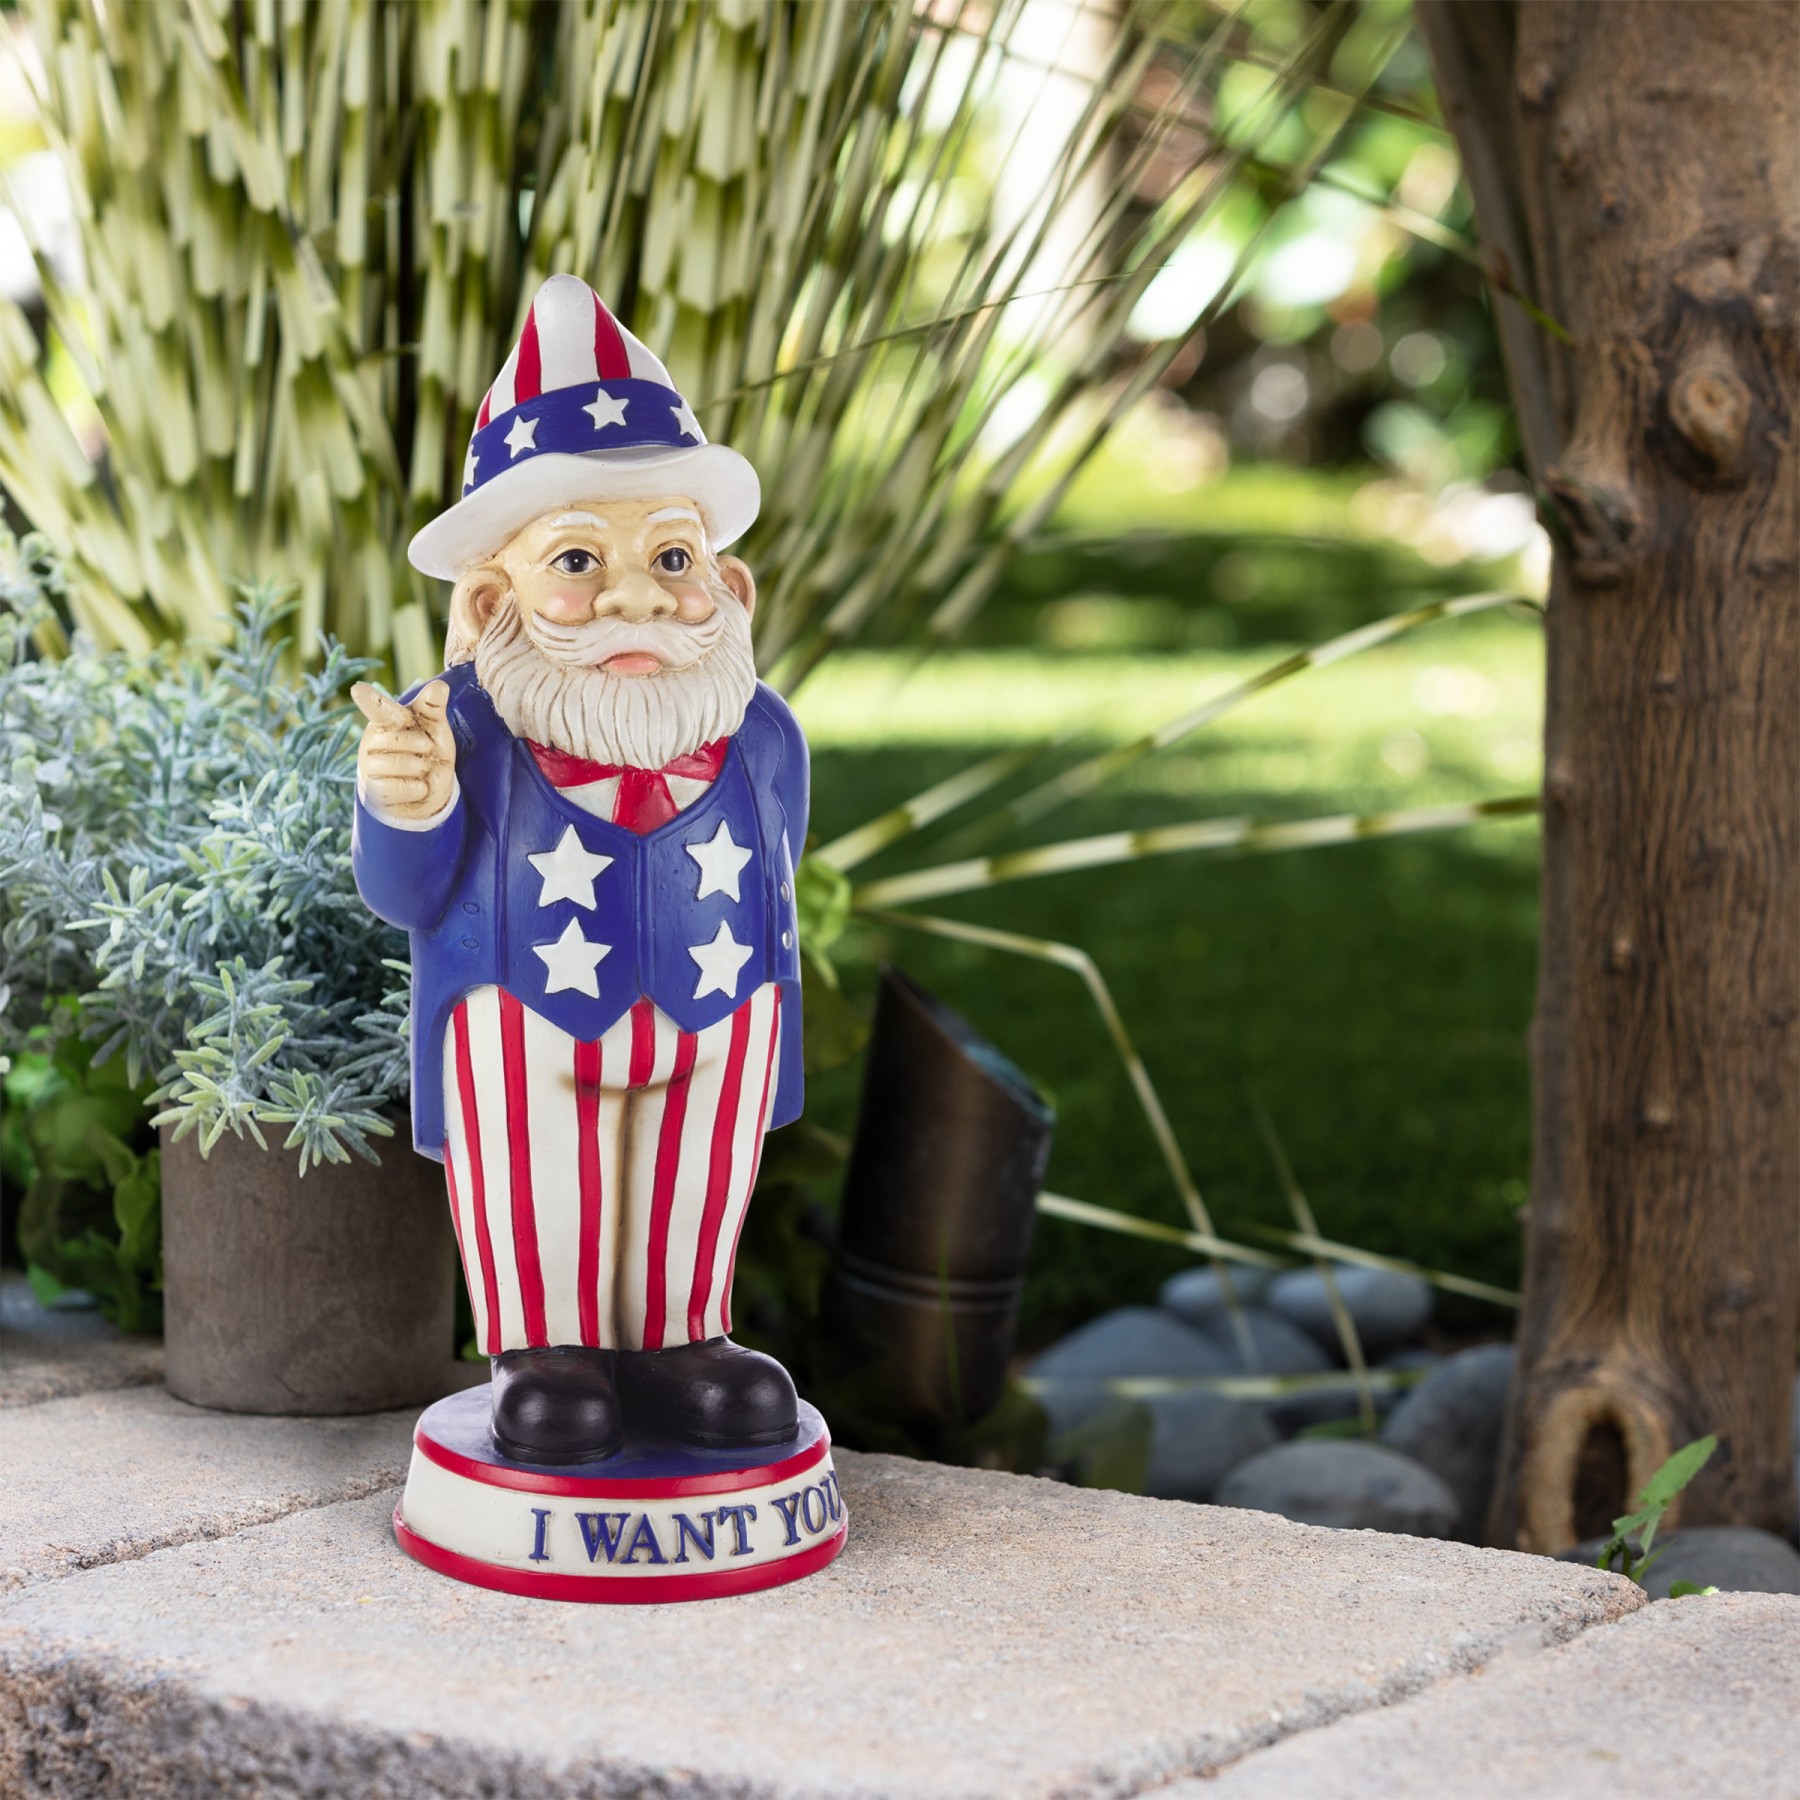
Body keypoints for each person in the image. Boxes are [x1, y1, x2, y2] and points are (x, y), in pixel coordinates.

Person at [352, 274, 806, 1466]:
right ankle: (545, 1345)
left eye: (673, 554)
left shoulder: (760, 732)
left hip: (719, 1005)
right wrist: (406, 803)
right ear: (489, 603)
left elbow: (781, 865)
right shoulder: (456, 729)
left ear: (731, 589)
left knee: (698, 1162)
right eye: (576, 559)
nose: (634, 595)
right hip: (524, 1016)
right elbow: (406, 891)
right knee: (535, 1166)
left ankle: (681, 1335)